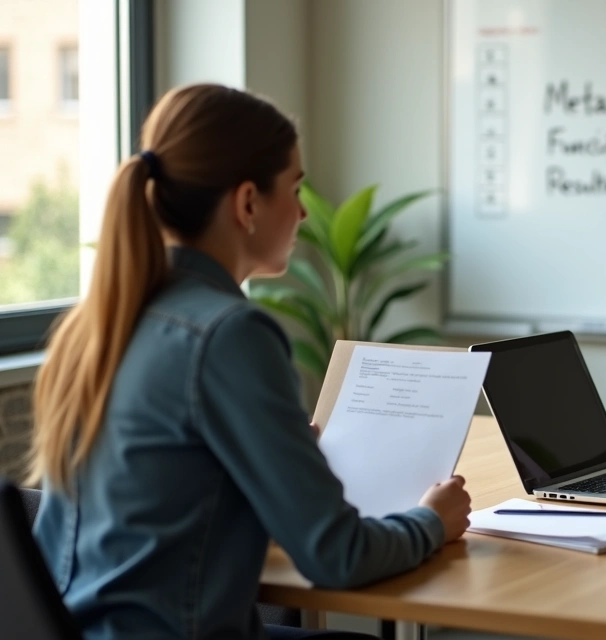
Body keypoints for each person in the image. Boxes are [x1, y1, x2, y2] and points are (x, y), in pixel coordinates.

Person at [27, 84, 472, 640]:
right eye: (295, 187)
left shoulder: (96, 323)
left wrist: (274, 465)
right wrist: (433, 520)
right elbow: (337, 556)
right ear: (247, 204)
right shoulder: (229, 334)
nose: (305, 211)